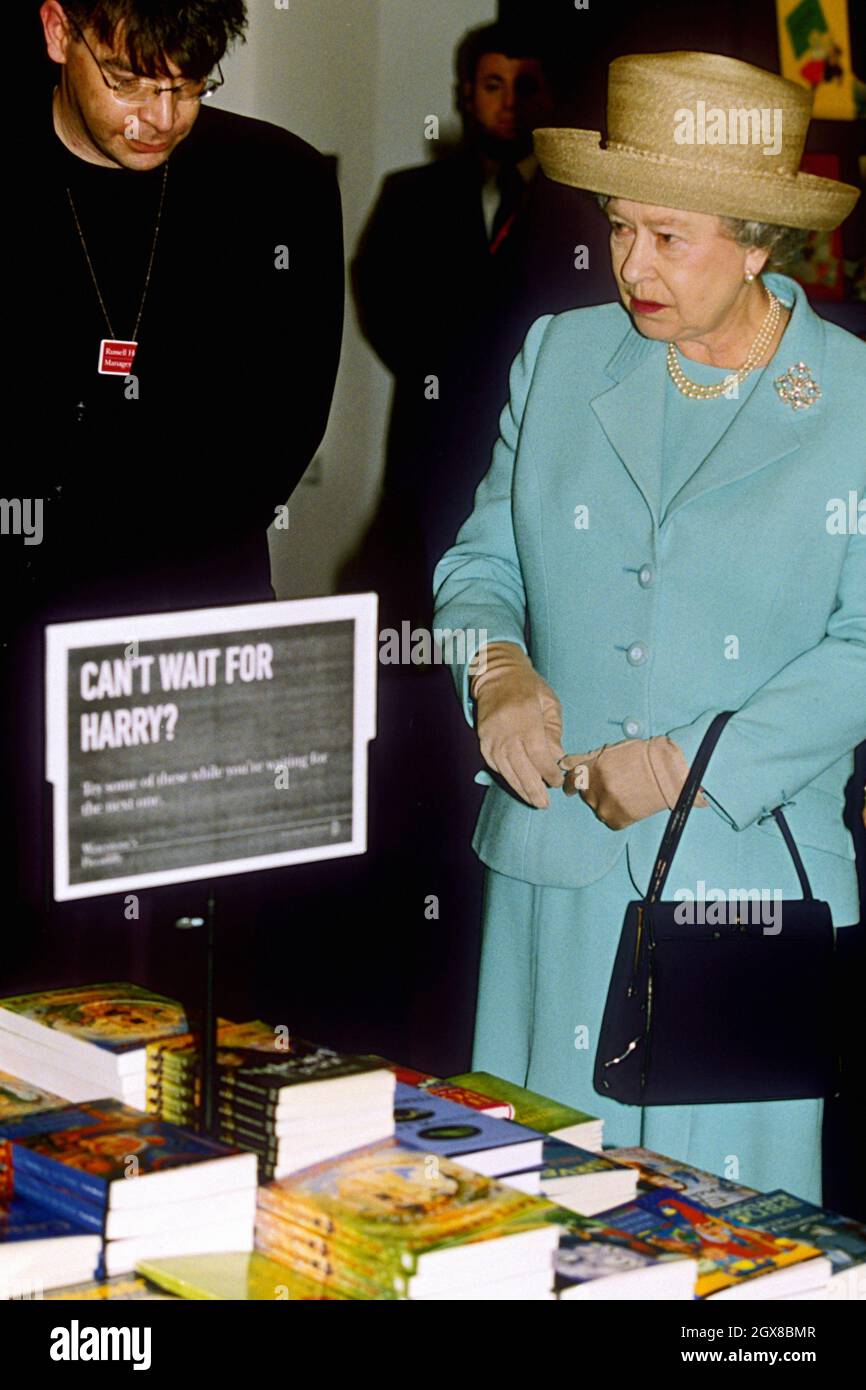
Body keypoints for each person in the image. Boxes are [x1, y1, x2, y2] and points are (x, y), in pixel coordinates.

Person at [432, 51, 865, 1205]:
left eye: (668, 238)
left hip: (739, 896)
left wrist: (682, 765)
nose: (630, 264)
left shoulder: (854, 400)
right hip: (550, 882)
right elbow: (480, 564)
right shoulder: (562, 356)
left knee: (728, 1261)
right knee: (529, 1224)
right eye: (620, 228)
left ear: (758, 239)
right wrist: (498, 670)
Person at [2, 0, 344, 1002]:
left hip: (200, 648)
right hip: (18, 648)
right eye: (127, 80)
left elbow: (283, 427)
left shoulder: (274, 182)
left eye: (189, 87)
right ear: (58, 31)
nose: (159, 116)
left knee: (210, 995)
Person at [347, 20, 615, 626]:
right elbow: (382, 300)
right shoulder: (411, 195)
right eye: (493, 84)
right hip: (432, 449)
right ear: (465, 93)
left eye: (528, 86)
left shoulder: (589, 209)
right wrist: (446, 373)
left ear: (550, 97)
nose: (510, 103)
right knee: (421, 618)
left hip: (550, 446)